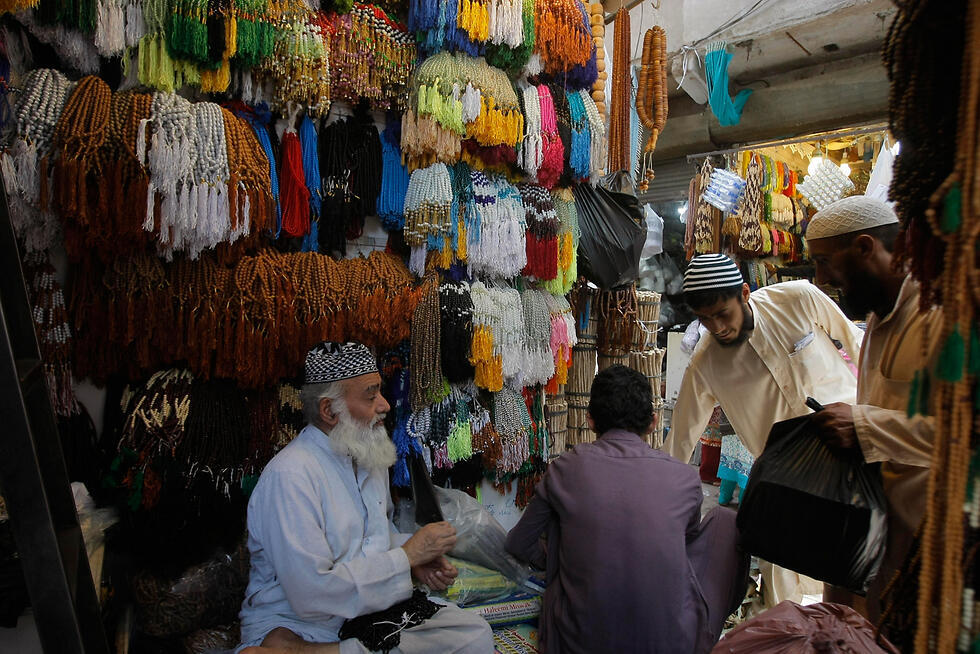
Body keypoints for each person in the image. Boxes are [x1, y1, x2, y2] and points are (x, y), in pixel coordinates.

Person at [236, 341, 493, 654]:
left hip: (364, 612)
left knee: (474, 635)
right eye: (371, 396)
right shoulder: (290, 476)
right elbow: (311, 594)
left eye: (380, 392)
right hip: (304, 622)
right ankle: (302, 647)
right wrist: (406, 557)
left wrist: (416, 562)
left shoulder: (368, 455)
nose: (385, 405)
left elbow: (375, 540)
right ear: (329, 411)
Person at [665, 253, 865, 606]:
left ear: (744, 293)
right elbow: (682, 437)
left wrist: (876, 418)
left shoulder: (798, 298)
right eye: (705, 319)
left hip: (849, 454)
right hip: (783, 479)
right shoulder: (706, 362)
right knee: (784, 589)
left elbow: (856, 343)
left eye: (723, 314)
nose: (717, 327)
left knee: (855, 573)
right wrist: (657, 499)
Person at [505, 365, 749, 654]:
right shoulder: (684, 478)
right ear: (654, 422)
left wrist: (558, 556)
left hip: (577, 642)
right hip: (671, 644)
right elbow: (682, 550)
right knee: (725, 522)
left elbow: (518, 543)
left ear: (590, 420)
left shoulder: (565, 469)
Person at [805, 195, 941, 622]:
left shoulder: (938, 316)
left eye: (824, 262)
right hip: (873, 541)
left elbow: (962, 435)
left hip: (930, 552)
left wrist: (863, 426)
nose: (820, 279)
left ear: (865, 247)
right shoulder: (878, 319)